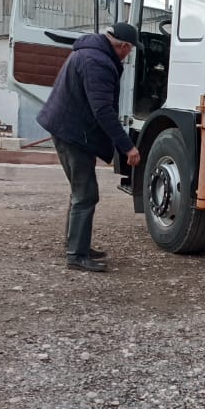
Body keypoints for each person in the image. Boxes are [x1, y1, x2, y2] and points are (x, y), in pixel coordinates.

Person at [37, 23, 142, 272]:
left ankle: (75, 244)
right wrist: (128, 147)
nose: (129, 56)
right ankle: (76, 255)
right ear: (124, 46)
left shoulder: (88, 52)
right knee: (85, 194)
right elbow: (103, 111)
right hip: (72, 133)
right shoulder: (98, 62)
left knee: (80, 192)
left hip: (67, 128)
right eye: (130, 51)